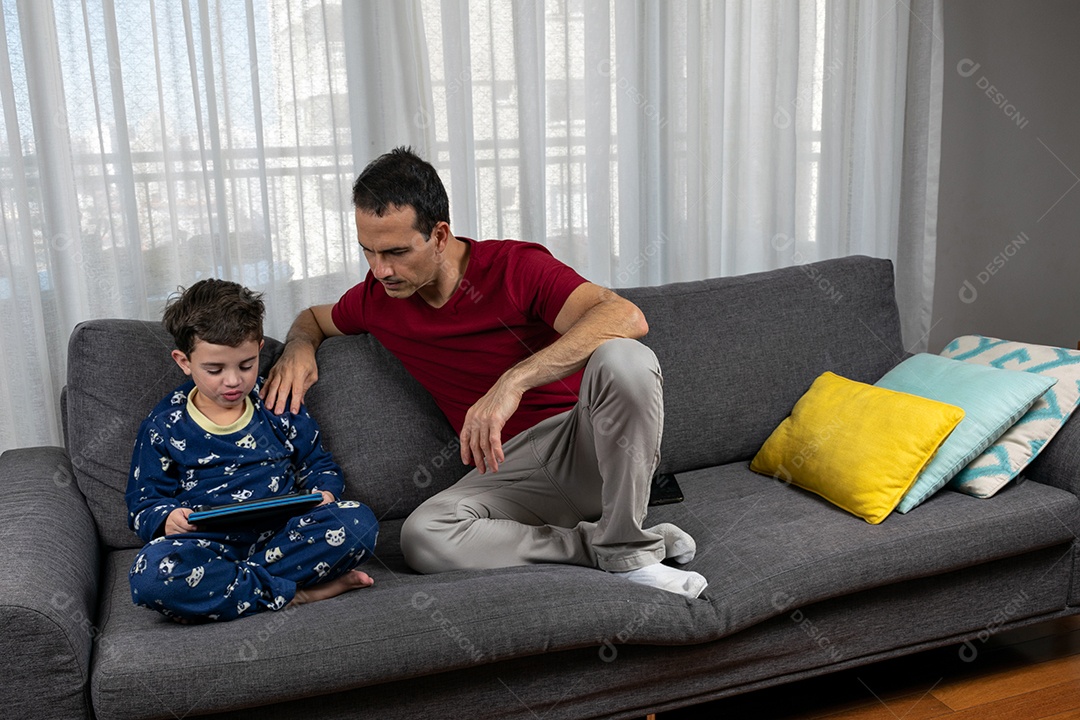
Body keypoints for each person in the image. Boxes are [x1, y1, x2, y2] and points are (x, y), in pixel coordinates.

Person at [262, 147, 706, 599]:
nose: (381, 270)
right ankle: (609, 548)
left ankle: (628, 545)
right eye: (368, 252)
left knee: (625, 357)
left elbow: (625, 316)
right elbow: (314, 318)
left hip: (583, 446)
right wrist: (298, 346)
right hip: (507, 472)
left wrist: (513, 382)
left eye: (396, 252)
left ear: (439, 235)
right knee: (423, 537)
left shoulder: (514, 268)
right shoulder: (378, 299)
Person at [126, 279, 379, 622]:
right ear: (184, 361)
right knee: (151, 574)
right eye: (215, 370)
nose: (233, 381)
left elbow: (319, 465)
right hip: (208, 545)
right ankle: (297, 593)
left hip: (284, 535)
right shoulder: (165, 425)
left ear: (259, 348)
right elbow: (143, 503)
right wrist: (167, 518)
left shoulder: (276, 403)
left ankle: (230, 590)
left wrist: (324, 492)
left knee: (358, 522)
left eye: (246, 365)